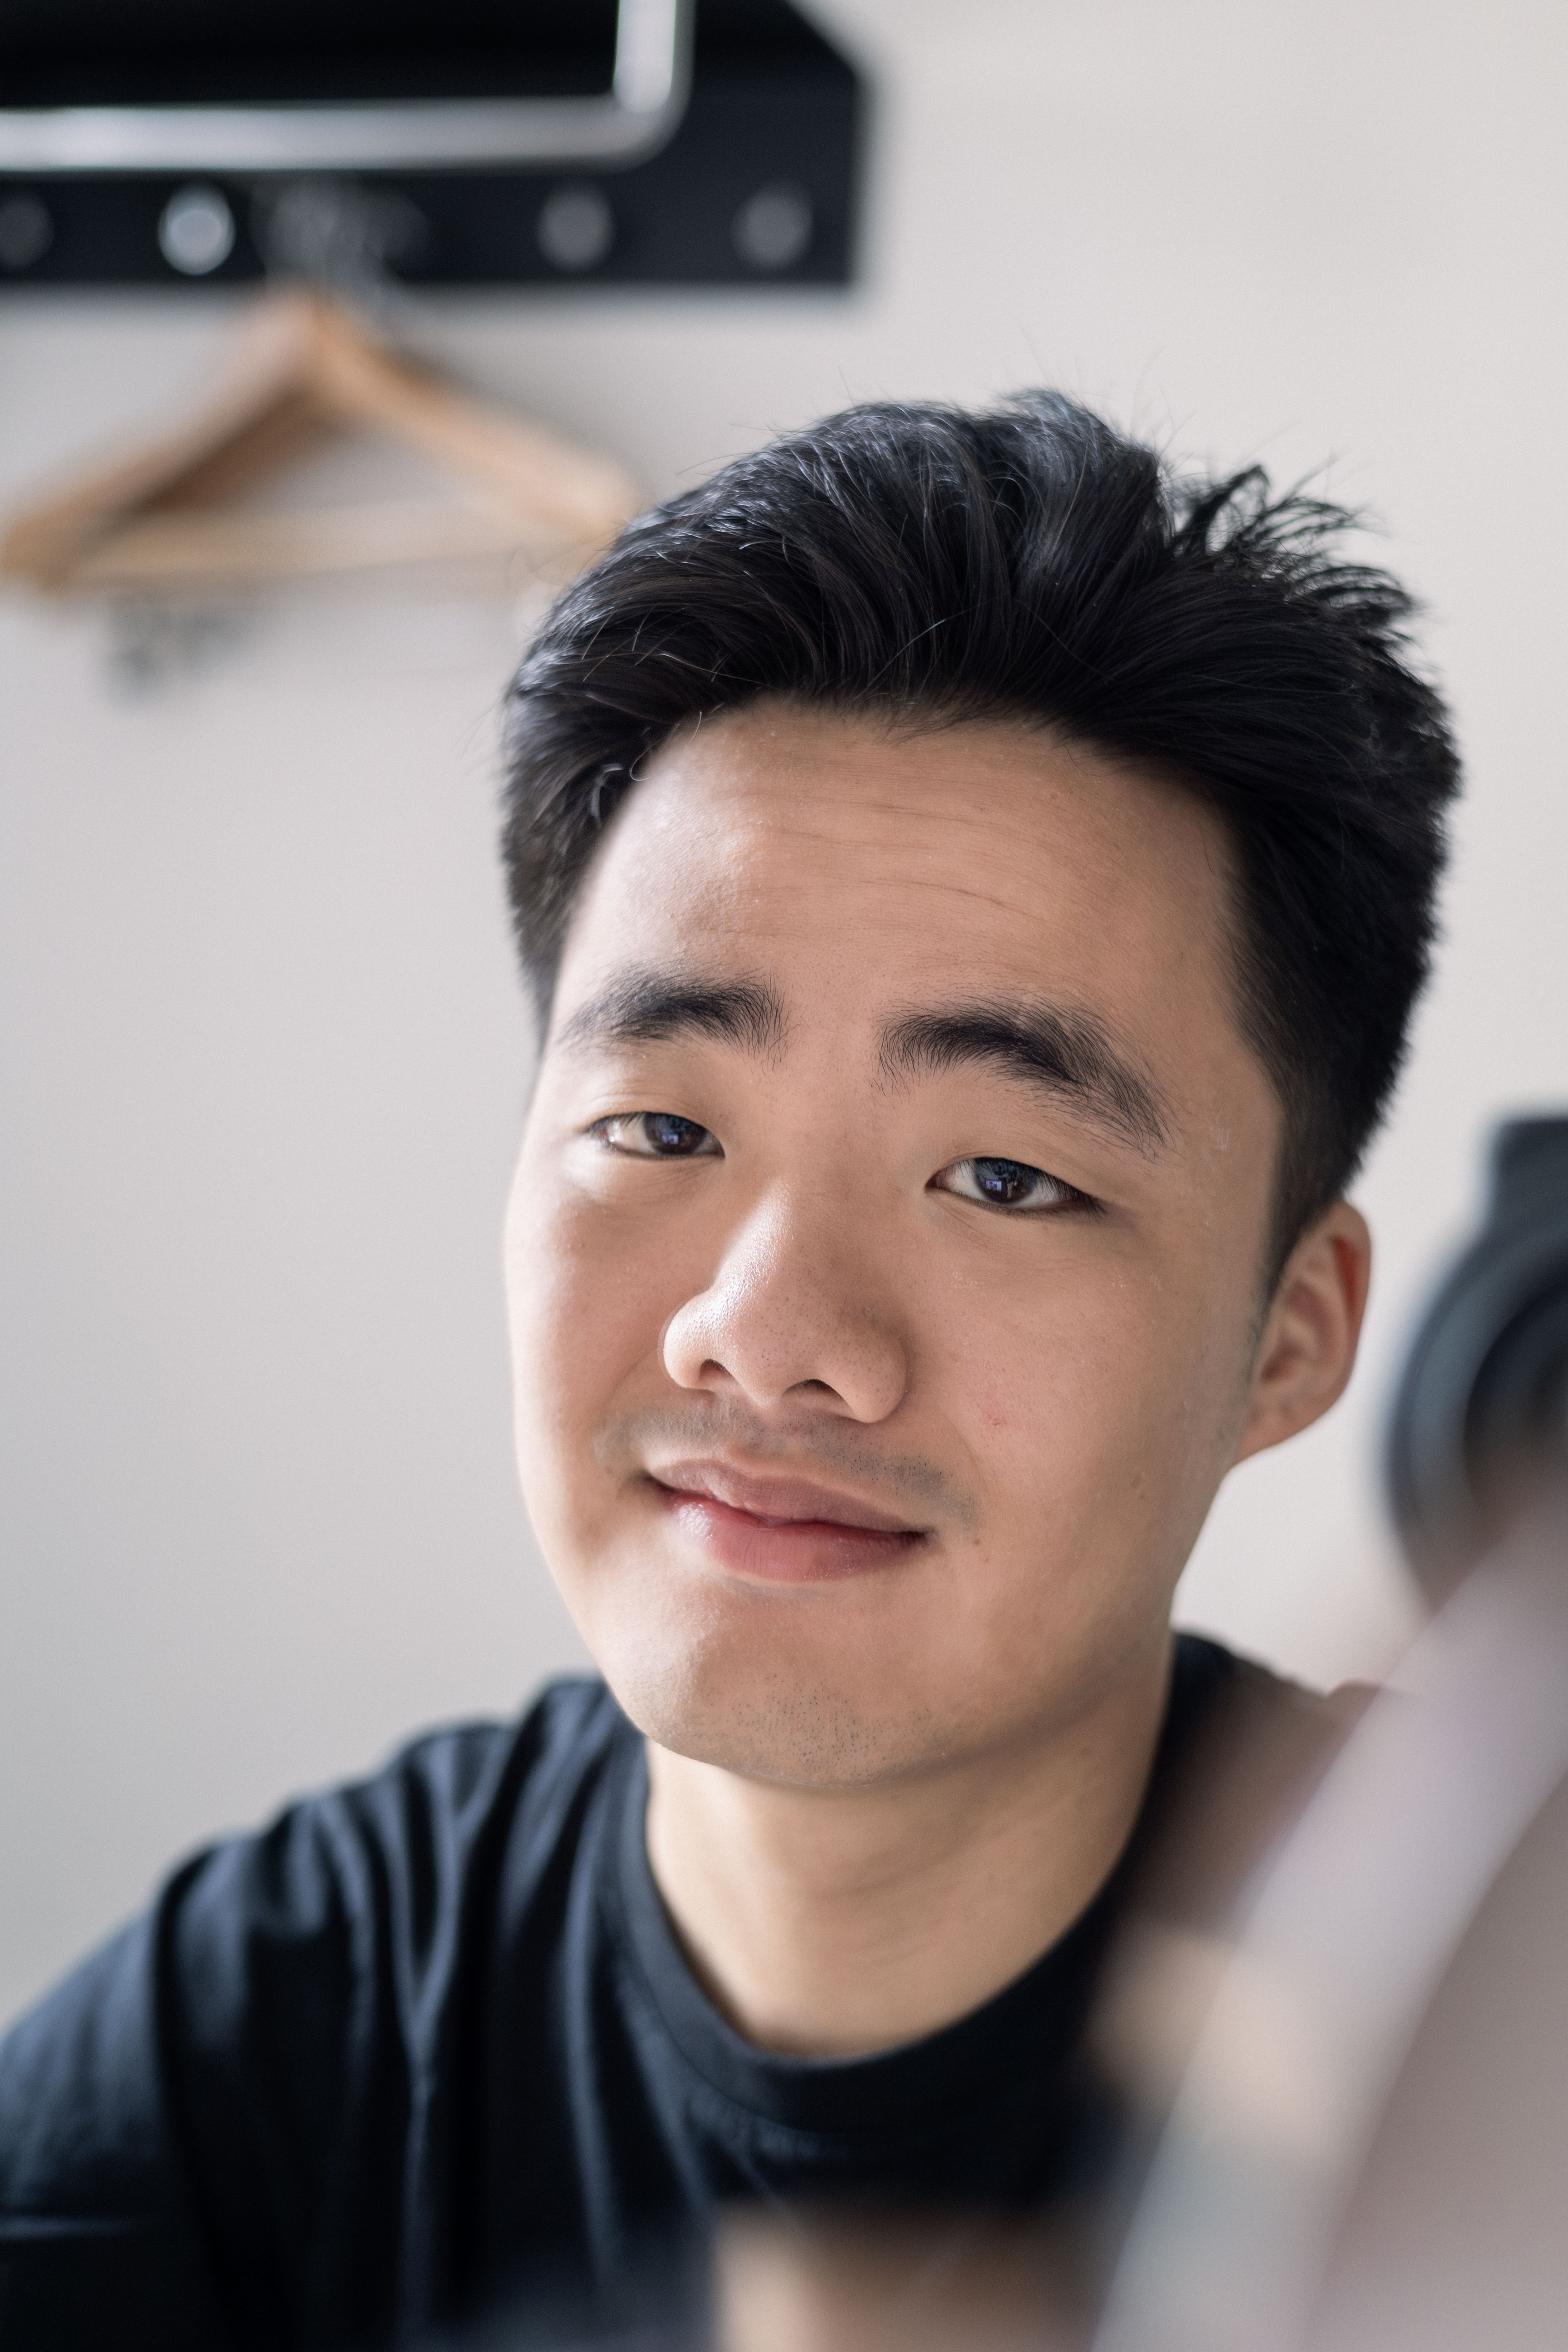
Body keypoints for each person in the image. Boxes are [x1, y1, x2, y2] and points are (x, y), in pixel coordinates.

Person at [0, 394, 1458, 2349]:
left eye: (1004, 1174)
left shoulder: (1474, 2030)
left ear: (1290, 1332)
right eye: (664, 1130)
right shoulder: (275, 2024)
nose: (766, 1329)